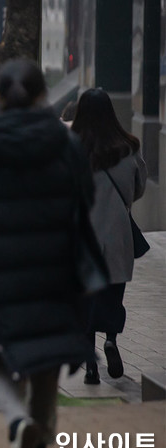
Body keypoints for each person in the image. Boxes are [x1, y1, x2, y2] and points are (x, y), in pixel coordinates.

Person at [0, 59, 94, 448]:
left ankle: (16, 421)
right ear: (44, 95)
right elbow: (85, 204)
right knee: (46, 358)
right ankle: (40, 435)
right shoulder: (66, 145)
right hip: (55, 272)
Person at [71, 88, 148, 385]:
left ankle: (91, 366)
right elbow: (139, 188)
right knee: (113, 296)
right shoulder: (129, 146)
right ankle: (112, 340)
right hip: (117, 235)